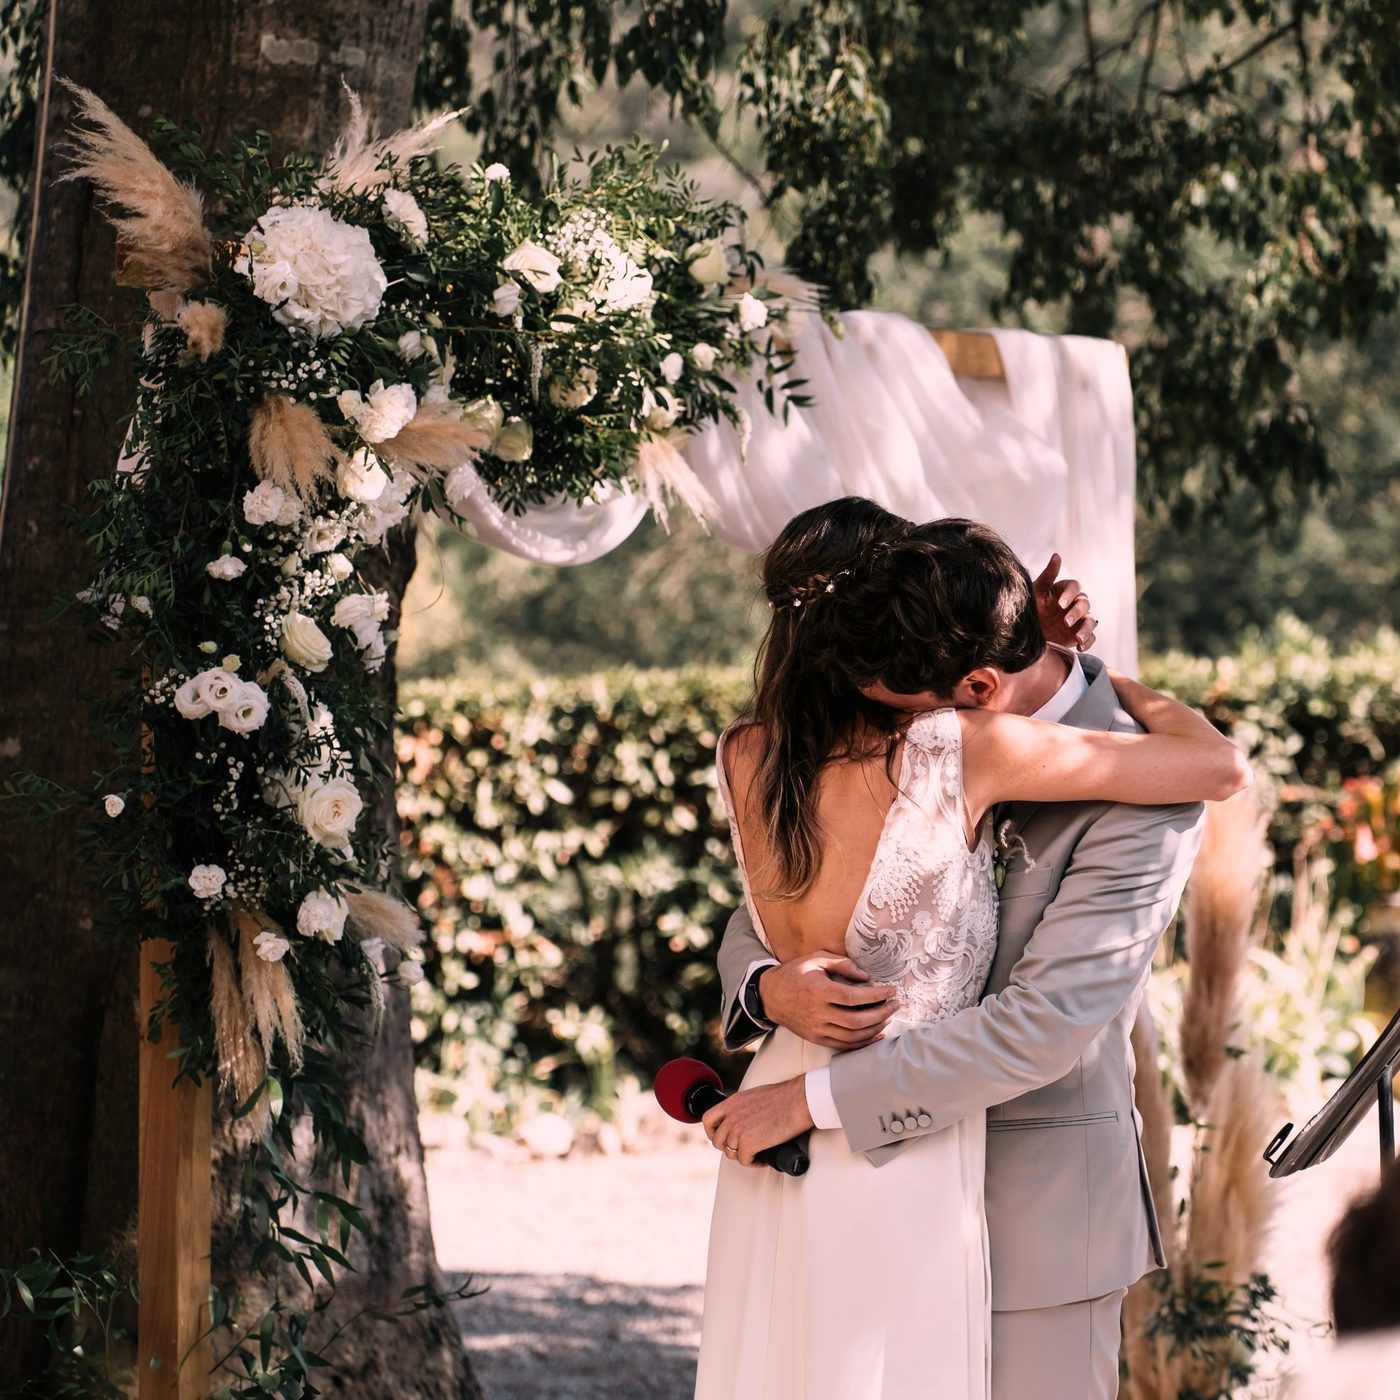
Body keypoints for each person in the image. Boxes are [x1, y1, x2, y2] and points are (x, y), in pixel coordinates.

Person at [695, 499, 1250, 1400]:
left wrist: (808, 1096)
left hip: (1035, 1221)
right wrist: (765, 987)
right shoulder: (899, 743)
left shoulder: (1133, 781)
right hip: (844, 1172)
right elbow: (769, 910)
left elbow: (1043, 1025)